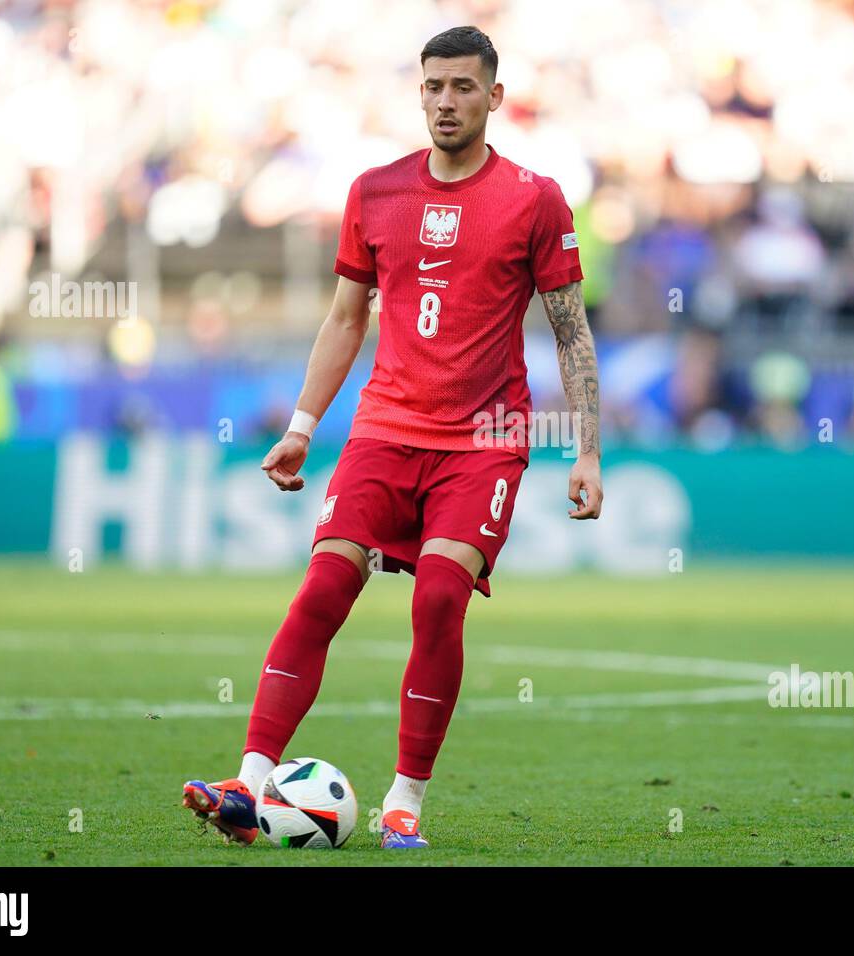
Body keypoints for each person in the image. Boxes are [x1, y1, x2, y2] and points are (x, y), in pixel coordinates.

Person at [182, 26, 603, 848]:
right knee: (323, 588)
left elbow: (572, 332)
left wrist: (586, 450)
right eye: (433, 87)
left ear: (494, 97)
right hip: (384, 429)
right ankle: (251, 781)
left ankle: (406, 796)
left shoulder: (534, 198)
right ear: (419, 92)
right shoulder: (374, 192)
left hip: (483, 441)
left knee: (439, 597)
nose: (446, 102)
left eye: (463, 88)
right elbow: (346, 317)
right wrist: (304, 427)